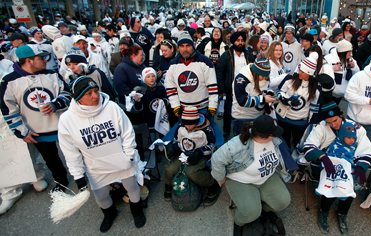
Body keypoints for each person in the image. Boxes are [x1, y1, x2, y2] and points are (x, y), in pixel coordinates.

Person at [57, 76, 146, 232]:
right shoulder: (67, 120)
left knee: (132, 187)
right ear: (78, 98)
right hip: (96, 166)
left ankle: (137, 211)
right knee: (101, 196)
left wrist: (129, 156)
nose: (95, 96)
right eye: (89, 93)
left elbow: (127, 132)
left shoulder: (111, 107)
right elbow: (70, 151)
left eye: (96, 90)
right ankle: (110, 214)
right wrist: (78, 176)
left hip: (122, 161)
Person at [211, 114, 296, 236]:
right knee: (251, 213)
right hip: (242, 181)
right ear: (265, 136)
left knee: (283, 202)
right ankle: (239, 223)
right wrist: (220, 178)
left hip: (267, 178)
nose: (276, 135)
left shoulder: (275, 140)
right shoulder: (238, 144)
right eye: (273, 133)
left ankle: (263, 209)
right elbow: (216, 159)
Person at [0, 45, 71, 191]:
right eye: (41, 58)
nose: (45, 60)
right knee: (51, 159)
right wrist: (22, 131)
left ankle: (84, 175)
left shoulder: (52, 74)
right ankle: (61, 180)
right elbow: (8, 109)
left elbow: (67, 93)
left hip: (64, 126)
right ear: (29, 61)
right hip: (38, 131)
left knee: (75, 152)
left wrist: (56, 104)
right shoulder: (9, 81)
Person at [303, 102, 371, 233]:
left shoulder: (356, 128)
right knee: (331, 180)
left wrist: (360, 168)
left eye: (335, 120)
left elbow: (366, 150)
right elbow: (308, 147)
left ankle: (342, 213)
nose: (333, 125)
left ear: (341, 115)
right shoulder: (321, 127)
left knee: (349, 183)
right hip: (325, 164)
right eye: (329, 122)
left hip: (350, 166)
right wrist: (323, 158)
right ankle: (323, 211)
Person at [163, 106, 221, 205]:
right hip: (183, 154)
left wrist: (201, 152)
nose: (188, 127)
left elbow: (212, 145)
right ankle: (168, 185)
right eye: (186, 124)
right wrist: (174, 147)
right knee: (170, 169)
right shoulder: (181, 127)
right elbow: (178, 140)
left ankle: (213, 186)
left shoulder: (206, 129)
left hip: (199, 156)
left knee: (192, 172)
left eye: (191, 124)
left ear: (196, 121)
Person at [314, 122, 358, 233]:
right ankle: (324, 211)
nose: (352, 140)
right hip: (332, 171)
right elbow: (328, 160)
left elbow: (355, 159)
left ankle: (342, 213)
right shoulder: (334, 145)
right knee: (330, 188)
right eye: (348, 137)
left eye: (353, 138)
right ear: (342, 136)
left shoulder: (354, 146)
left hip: (347, 171)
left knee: (349, 191)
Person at [164, 31, 218, 118]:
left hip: (203, 108)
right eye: (182, 46)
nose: (185, 49)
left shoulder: (205, 62)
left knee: (215, 132)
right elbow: (170, 87)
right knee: (174, 132)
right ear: (178, 48)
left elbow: (212, 87)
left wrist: (212, 106)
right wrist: (176, 106)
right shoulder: (173, 65)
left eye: (188, 46)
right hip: (183, 110)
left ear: (193, 46)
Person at [216, 31, 255, 138]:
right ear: (233, 42)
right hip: (230, 90)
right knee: (228, 113)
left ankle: (244, 133)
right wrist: (222, 90)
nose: (240, 43)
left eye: (242, 40)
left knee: (244, 112)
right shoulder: (226, 55)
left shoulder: (248, 55)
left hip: (246, 89)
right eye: (238, 41)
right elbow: (219, 73)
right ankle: (226, 133)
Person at [275, 53, 320, 148]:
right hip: (283, 118)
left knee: (297, 145)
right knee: (283, 144)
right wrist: (286, 100)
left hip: (300, 122)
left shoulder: (315, 88)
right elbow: (279, 92)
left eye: (302, 71)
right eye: (300, 69)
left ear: (309, 73)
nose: (299, 72)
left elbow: (313, 108)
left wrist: (310, 123)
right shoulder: (290, 79)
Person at [231, 58, 277, 135]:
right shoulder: (241, 79)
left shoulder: (264, 75)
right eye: (262, 76)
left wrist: (270, 93)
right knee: (243, 145)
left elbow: (266, 87)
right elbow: (242, 101)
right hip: (242, 118)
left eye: (266, 76)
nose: (264, 78)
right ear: (255, 72)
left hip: (258, 117)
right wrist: (263, 99)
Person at [328, 39, 360, 105]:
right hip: (330, 93)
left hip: (342, 94)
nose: (351, 53)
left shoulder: (351, 59)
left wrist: (354, 67)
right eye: (349, 52)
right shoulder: (329, 59)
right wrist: (332, 68)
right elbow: (321, 73)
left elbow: (358, 75)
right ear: (343, 52)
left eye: (351, 51)